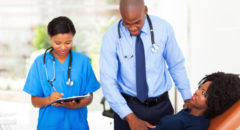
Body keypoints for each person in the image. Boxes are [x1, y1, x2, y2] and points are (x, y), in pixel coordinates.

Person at [100, 0, 192, 130]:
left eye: (137, 22)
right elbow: (108, 82)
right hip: (128, 107)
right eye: (126, 23)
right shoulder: (111, 37)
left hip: (161, 107)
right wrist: (130, 117)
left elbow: (176, 65)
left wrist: (187, 97)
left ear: (146, 10)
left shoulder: (163, 28)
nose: (132, 28)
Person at [23, 16, 100, 130]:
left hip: (77, 125)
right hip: (49, 126)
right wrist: (49, 99)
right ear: (50, 38)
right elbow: (35, 101)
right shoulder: (40, 63)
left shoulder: (83, 61)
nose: (63, 47)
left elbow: (89, 97)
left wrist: (75, 105)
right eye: (57, 43)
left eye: (68, 42)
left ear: (73, 38)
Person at [152, 72, 240, 130]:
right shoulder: (188, 110)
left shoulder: (198, 125)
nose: (197, 92)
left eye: (203, 93)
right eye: (199, 88)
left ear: (214, 102)